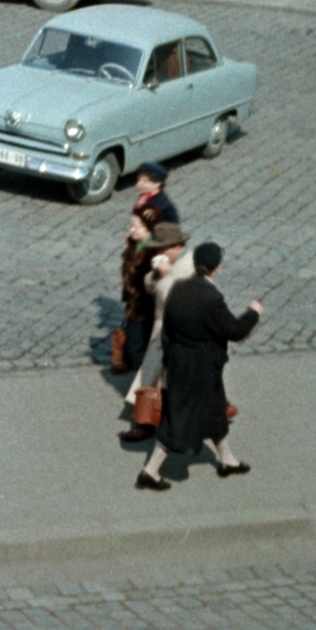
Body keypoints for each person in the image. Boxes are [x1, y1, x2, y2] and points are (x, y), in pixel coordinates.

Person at [137, 242, 262, 490]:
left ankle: (226, 459)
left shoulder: (179, 289)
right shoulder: (211, 298)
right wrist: (253, 313)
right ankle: (149, 472)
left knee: (215, 410)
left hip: (182, 363)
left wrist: (168, 361)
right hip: (200, 368)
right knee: (178, 421)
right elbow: (234, 330)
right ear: (216, 268)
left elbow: (168, 330)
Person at [121, 221, 192, 442]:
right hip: (163, 331)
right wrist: (155, 274)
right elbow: (150, 288)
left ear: (174, 246)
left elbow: (176, 301)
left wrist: (167, 275)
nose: (157, 251)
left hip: (178, 333)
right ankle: (146, 421)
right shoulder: (169, 262)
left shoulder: (188, 267)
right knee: (151, 376)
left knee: (161, 378)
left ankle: (149, 424)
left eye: (160, 248)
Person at [116, 204, 166, 376]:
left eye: (137, 226)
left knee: (136, 349)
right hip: (134, 305)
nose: (132, 229)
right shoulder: (135, 245)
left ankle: (143, 386)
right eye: (131, 225)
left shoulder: (153, 252)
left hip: (145, 308)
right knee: (135, 347)